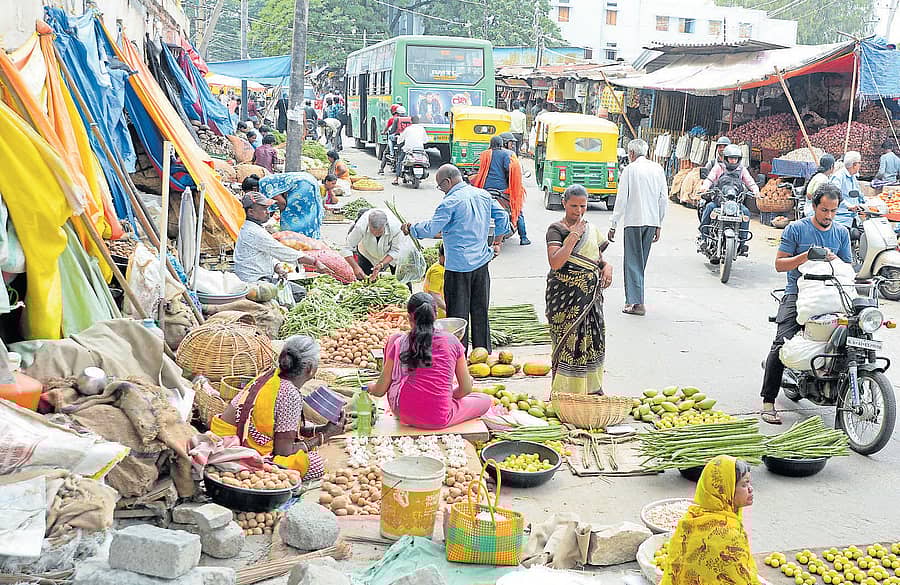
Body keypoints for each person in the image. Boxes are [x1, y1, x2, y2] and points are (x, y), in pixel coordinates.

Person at [759, 183, 851, 424]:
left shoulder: (841, 233)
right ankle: (768, 401)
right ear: (814, 207)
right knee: (781, 343)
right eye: (824, 210)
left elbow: (848, 269)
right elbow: (780, 265)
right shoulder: (796, 229)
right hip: (797, 295)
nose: (829, 216)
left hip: (831, 295)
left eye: (833, 211)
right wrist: (806, 256)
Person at [402, 164, 511, 351]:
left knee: (458, 316)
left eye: (440, 186)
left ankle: (458, 355)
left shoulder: (450, 202)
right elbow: (503, 216)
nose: (441, 190)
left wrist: (412, 228)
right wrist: (497, 242)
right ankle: (482, 352)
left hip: (458, 267)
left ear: (448, 181)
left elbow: (432, 228)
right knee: (480, 311)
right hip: (481, 263)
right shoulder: (483, 195)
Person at [211, 335, 344, 477]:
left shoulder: (271, 375)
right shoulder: (289, 394)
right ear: (310, 368)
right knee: (314, 463)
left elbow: (284, 429)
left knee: (305, 445)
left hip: (224, 439)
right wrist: (324, 436)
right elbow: (284, 451)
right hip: (235, 450)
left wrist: (324, 429)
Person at [367, 293, 492, 430]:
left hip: (402, 412)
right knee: (484, 400)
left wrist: (370, 387)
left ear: (409, 318)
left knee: (395, 338)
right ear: (436, 315)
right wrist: (447, 396)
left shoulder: (399, 342)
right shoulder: (452, 341)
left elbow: (379, 391)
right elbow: (466, 388)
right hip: (438, 418)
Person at [546, 184, 613, 395]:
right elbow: (555, 262)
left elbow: (597, 258)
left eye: (582, 206)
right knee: (568, 341)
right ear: (564, 203)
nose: (578, 211)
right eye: (573, 206)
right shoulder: (555, 229)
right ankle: (564, 391)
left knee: (592, 339)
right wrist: (573, 236)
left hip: (590, 296)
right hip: (565, 297)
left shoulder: (591, 229)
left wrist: (607, 267)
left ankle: (590, 388)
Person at [660, 456, 760, 585]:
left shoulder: (692, 518)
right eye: (744, 484)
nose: (750, 488)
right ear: (724, 490)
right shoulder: (728, 534)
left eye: (749, 483)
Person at [608, 139, 668, 316]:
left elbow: (621, 199)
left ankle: (636, 303)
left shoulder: (630, 170)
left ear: (631, 154)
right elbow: (663, 199)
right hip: (651, 222)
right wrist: (659, 223)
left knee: (632, 262)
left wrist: (613, 223)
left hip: (634, 222)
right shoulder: (657, 169)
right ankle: (634, 299)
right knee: (640, 263)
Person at [233, 191, 325, 284]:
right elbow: (282, 251)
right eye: (264, 209)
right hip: (254, 281)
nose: (268, 212)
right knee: (299, 293)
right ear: (251, 212)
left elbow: (265, 253)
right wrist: (315, 262)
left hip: (258, 277)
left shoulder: (253, 228)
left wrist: (277, 267)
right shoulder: (253, 232)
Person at [698, 144, 758, 254]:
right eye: (731, 158)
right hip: (719, 201)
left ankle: (742, 243)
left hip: (735, 203)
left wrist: (756, 191)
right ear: (725, 158)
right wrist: (704, 187)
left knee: (745, 212)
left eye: (735, 158)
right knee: (708, 208)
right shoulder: (718, 168)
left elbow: (750, 182)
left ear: (739, 159)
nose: (733, 161)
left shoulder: (742, 170)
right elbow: (710, 179)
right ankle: (703, 237)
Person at [470, 134, 528, 245]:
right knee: (517, 209)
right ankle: (524, 237)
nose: (512, 145)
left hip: (484, 188)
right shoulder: (508, 154)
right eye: (511, 143)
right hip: (501, 190)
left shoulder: (484, 154)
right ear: (503, 143)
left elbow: (479, 171)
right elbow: (510, 170)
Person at [341, 209, 407, 280]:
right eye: (372, 231)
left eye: (379, 232)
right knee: (363, 279)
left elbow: (395, 250)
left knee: (402, 280)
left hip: (390, 255)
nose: (375, 234)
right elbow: (346, 248)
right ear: (368, 224)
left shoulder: (396, 227)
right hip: (367, 253)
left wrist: (381, 264)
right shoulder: (361, 226)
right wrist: (355, 267)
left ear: (385, 225)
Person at [259, 172, 324, 239]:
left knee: (292, 217)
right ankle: (311, 238)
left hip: (302, 184)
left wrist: (282, 217)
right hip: (307, 180)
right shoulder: (265, 181)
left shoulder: (263, 186)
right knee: (308, 212)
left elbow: (282, 203)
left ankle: (297, 240)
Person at [393, 115, 429, 185]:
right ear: (418, 121)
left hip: (408, 150)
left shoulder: (408, 129)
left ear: (411, 121)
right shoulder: (422, 129)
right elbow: (425, 140)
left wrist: (398, 140)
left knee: (399, 161)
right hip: (420, 150)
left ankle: (396, 179)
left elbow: (400, 140)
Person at [834, 151, 865, 228]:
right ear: (854, 165)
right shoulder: (838, 177)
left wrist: (867, 202)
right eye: (859, 163)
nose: (860, 165)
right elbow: (834, 196)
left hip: (854, 217)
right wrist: (848, 206)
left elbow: (859, 194)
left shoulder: (853, 177)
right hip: (841, 219)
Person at [423, 243, 446, 319]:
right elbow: (434, 294)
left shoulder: (439, 267)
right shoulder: (437, 271)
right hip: (438, 313)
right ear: (441, 256)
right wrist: (448, 309)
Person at [379, 104, 403, 175]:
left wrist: (383, 132)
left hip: (395, 138)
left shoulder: (392, 119)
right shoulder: (406, 119)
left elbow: (388, 129)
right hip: (403, 139)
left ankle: (381, 169)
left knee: (385, 153)